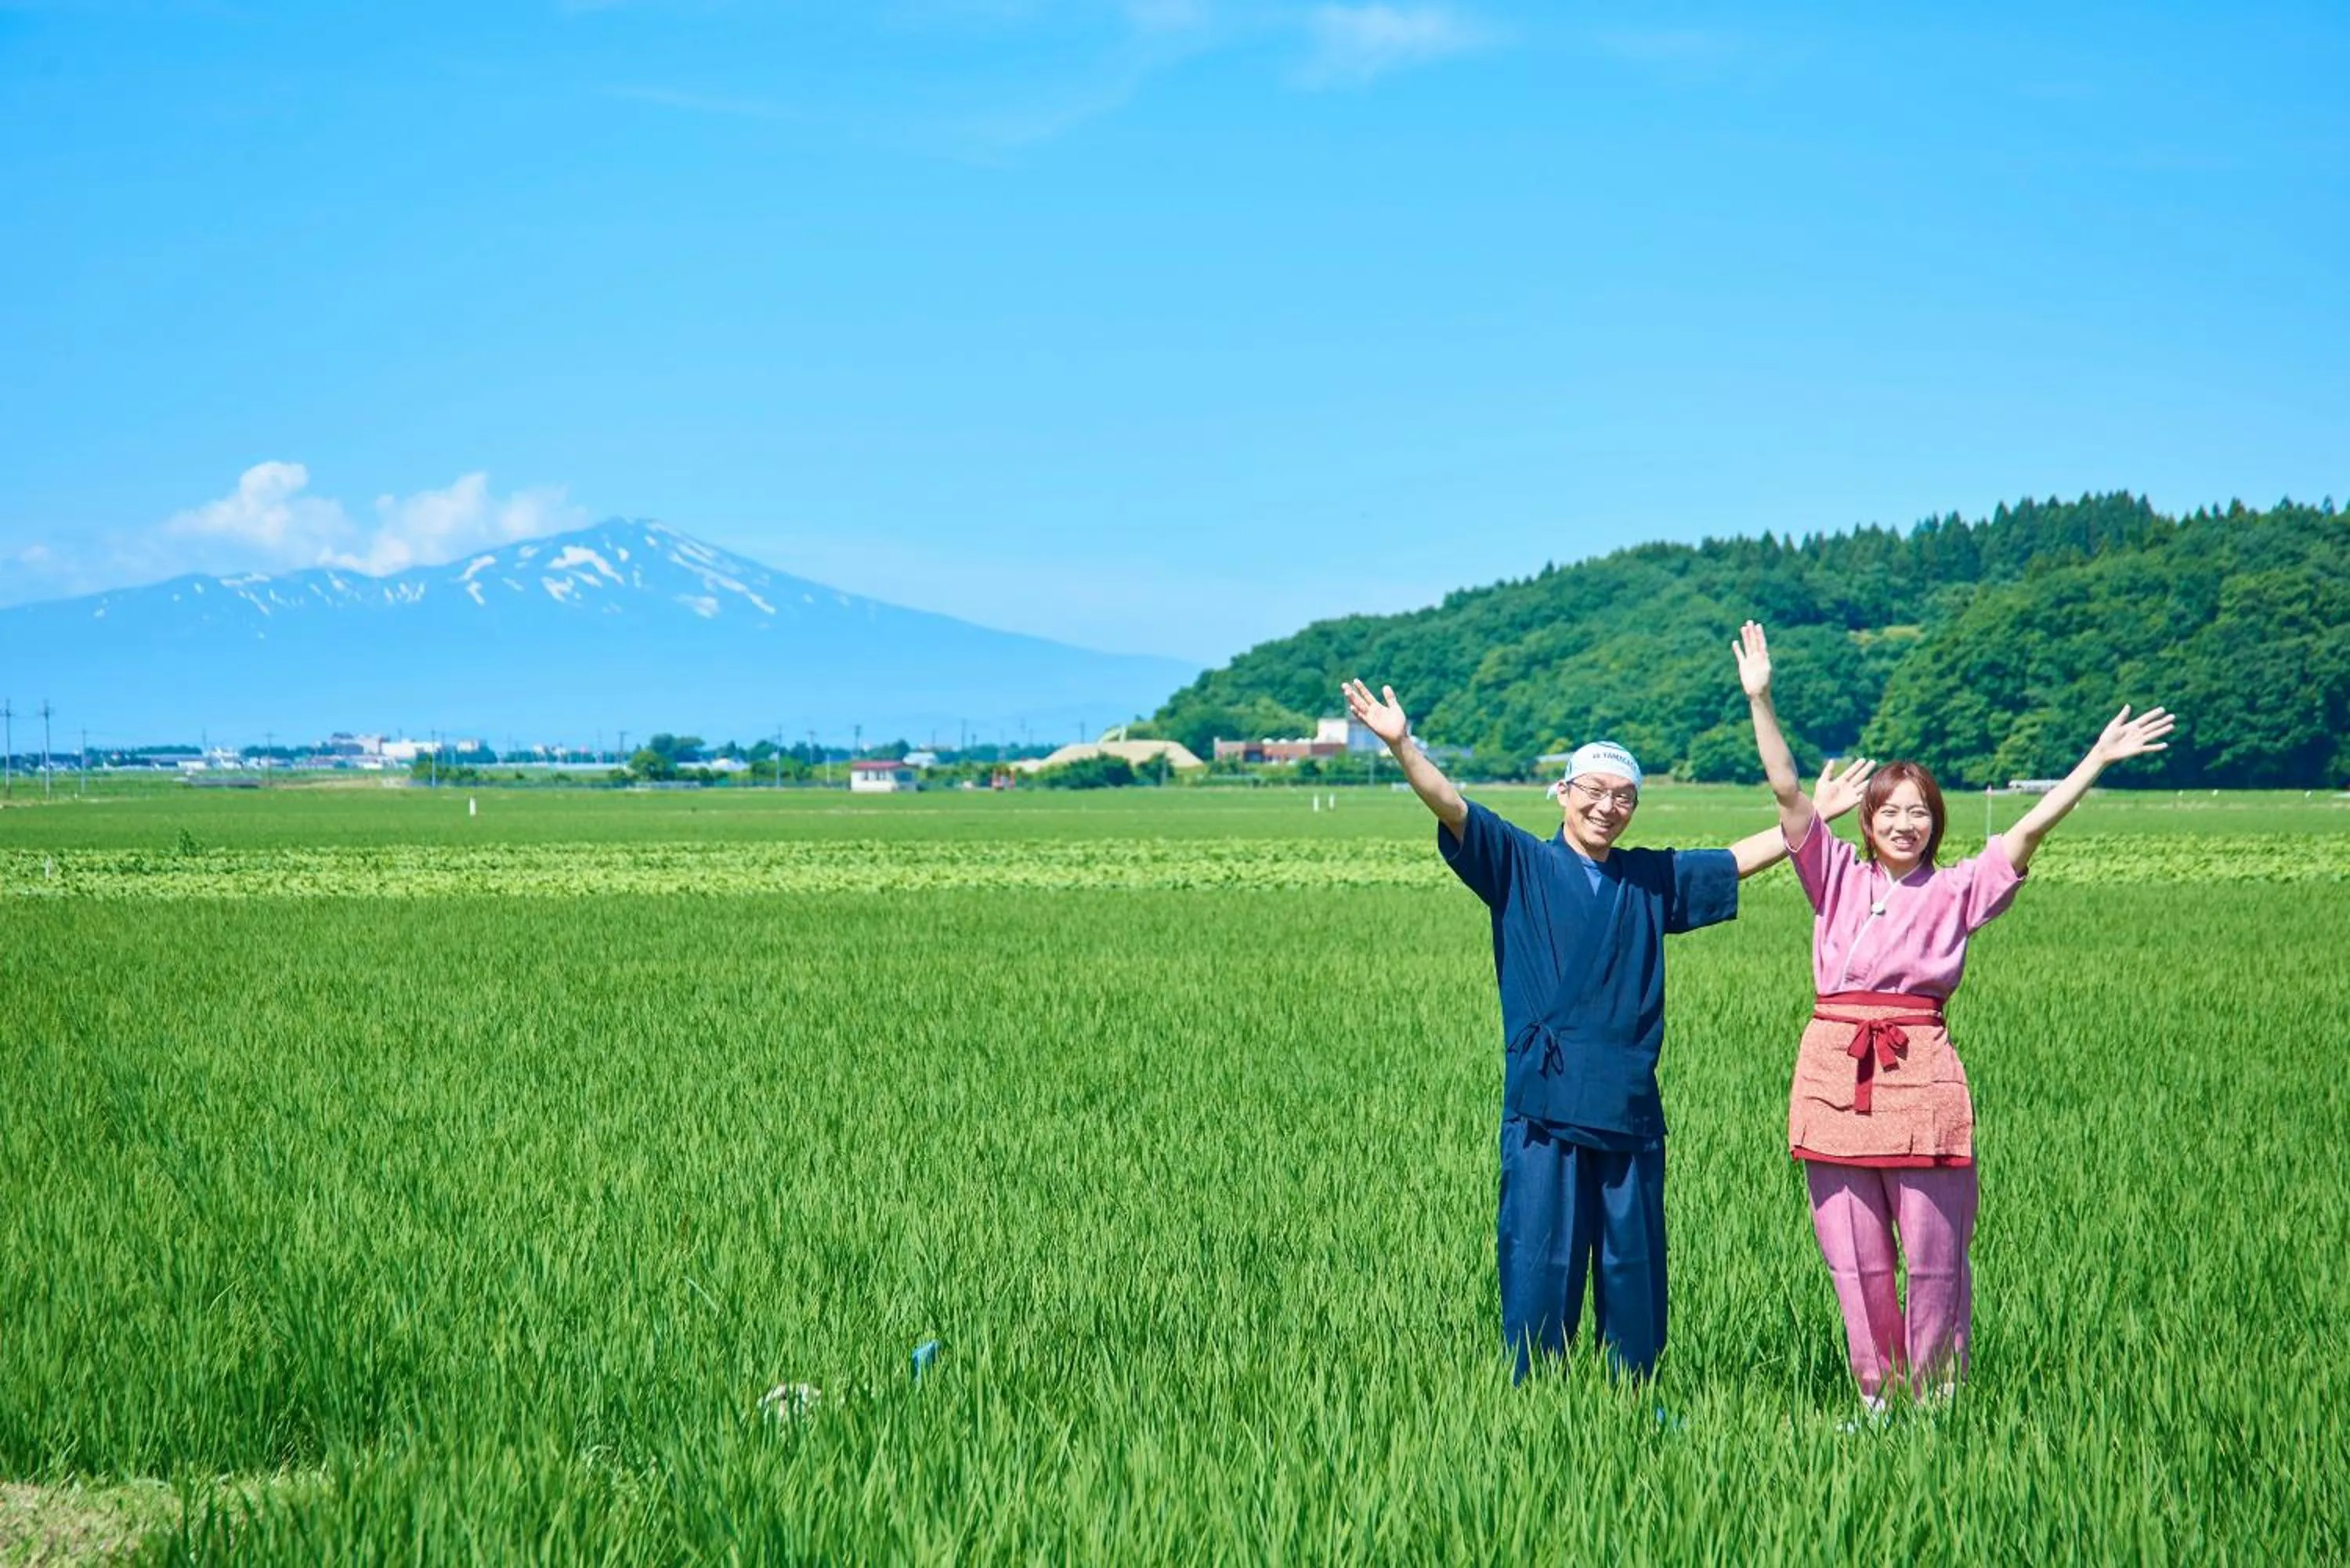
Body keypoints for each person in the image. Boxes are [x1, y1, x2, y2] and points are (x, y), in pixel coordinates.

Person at [1341, 677, 1873, 1382]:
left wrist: (1806, 824)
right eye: (1592, 790)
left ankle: (1636, 1398)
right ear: (1562, 793)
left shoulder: (1648, 879)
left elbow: (1732, 863)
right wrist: (1402, 744)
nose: (1606, 806)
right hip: (1544, 1103)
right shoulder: (1519, 863)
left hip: (1626, 1102)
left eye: (1621, 796)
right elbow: (1452, 805)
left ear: (1634, 807)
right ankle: (1538, 1397)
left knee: (1634, 1261)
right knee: (1539, 1254)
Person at [1733, 620, 2175, 1414]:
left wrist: (2094, 763)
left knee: (1936, 1252)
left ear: (1936, 822)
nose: (1906, 823)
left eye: (1920, 812)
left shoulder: (1957, 888)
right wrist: (1762, 700)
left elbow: (2029, 828)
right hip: (1836, 1070)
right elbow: (1790, 794)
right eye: (1890, 811)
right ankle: (1877, 1396)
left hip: (1921, 1073)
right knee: (1853, 1254)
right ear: (1865, 823)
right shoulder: (1832, 877)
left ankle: (1936, 1401)